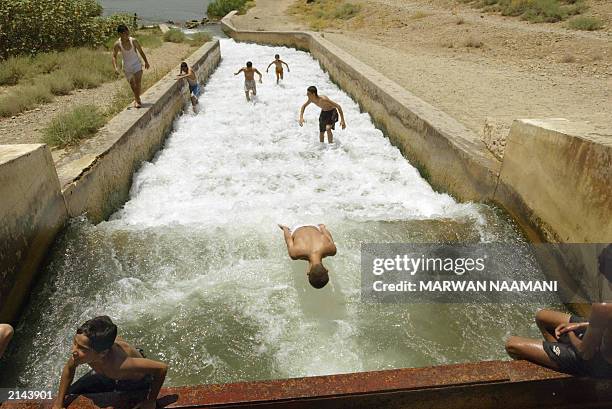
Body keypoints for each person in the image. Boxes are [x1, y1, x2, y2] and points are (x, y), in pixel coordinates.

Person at [505, 245, 612, 377]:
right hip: (601, 342)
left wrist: (571, 332)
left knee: (512, 344)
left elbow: (585, 354)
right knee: (542, 317)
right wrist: (581, 325)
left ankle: (563, 370)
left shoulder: (604, 307)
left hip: (600, 365)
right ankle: (557, 355)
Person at [52, 316, 168, 409]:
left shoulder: (122, 365)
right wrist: (59, 403)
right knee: (70, 393)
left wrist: (150, 401)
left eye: (82, 348)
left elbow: (162, 368)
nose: (74, 351)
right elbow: (69, 369)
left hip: (135, 381)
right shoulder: (83, 353)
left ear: (102, 353)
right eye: (75, 342)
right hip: (107, 371)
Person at [278, 223, 337, 289]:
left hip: (313, 225)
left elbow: (326, 234)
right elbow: (288, 239)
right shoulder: (294, 254)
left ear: (327, 270)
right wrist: (284, 228)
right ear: (308, 272)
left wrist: (322, 227)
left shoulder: (332, 250)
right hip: (296, 227)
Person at [112, 24, 150, 108]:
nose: (127, 34)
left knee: (137, 82)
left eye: (127, 32)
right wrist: (115, 68)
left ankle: (137, 100)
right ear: (120, 34)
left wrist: (146, 62)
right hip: (126, 66)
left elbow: (141, 51)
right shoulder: (117, 44)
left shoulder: (134, 41)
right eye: (125, 33)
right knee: (132, 84)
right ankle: (137, 98)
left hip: (136, 64)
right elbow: (114, 56)